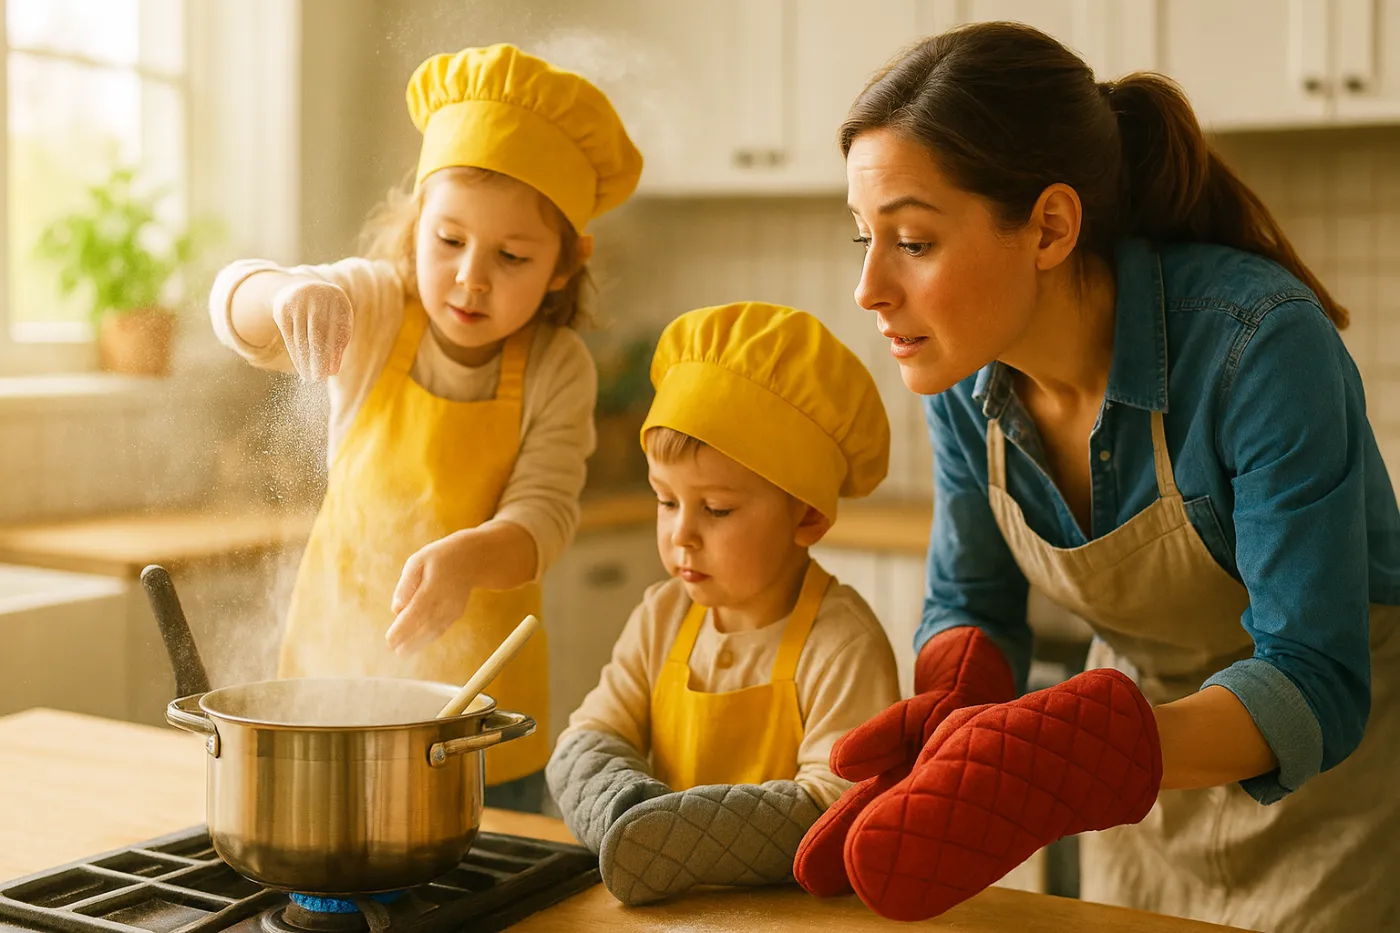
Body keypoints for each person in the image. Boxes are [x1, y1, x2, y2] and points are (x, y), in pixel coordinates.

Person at [791, 21, 1400, 932]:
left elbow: (1314, 675)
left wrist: (1075, 755)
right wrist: (959, 703)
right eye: (861, 240)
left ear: (1049, 226)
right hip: (1137, 809)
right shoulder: (966, 372)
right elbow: (972, 601)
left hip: (1336, 811)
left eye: (912, 240)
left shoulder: (1256, 344)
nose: (870, 287)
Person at [207, 44, 642, 813]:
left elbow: (545, 514)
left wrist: (473, 557)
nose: (472, 275)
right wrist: (285, 294)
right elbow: (234, 306)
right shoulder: (372, 308)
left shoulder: (557, 367)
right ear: (414, 227)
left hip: (478, 708)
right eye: (448, 241)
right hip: (334, 688)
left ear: (566, 265)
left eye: (511, 255)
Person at [546, 302, 901, 905]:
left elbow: (833, 808)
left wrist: (665, 837)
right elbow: (588, 738)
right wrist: (626, 815)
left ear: (807, 513)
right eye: (665, 501)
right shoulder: (662, 617)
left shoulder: (841, 642)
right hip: (671, 915)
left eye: (716, 509)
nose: (681, 534)